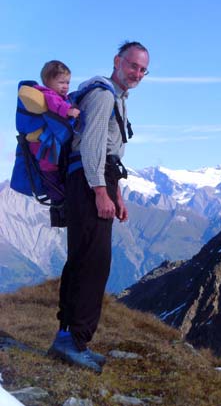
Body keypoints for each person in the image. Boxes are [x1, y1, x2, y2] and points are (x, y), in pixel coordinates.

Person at [48, 41, 150, 373]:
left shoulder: (114, 98)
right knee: (94, 263)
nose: (137, 73)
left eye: (143, 69)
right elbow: (91, 146)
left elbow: (110, 154)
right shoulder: (105, 95)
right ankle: (74, 343)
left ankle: (67, 339)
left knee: (82, 258)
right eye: (133, 65)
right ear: (118, 61)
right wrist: (100, 192)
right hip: (89, 181)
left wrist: (115, 193)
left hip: (93, 180)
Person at [28, 61, 80, 202]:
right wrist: (69, 111)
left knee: (54, 170)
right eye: (61, 82)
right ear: (47, 81)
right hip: (44, 146)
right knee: (49, 170)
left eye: (68, 82)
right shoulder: (48, 94)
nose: (65, 86)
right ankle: (58, 198)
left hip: (48, 143)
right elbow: (55, 106)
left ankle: (60, 195)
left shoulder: (59, 96)